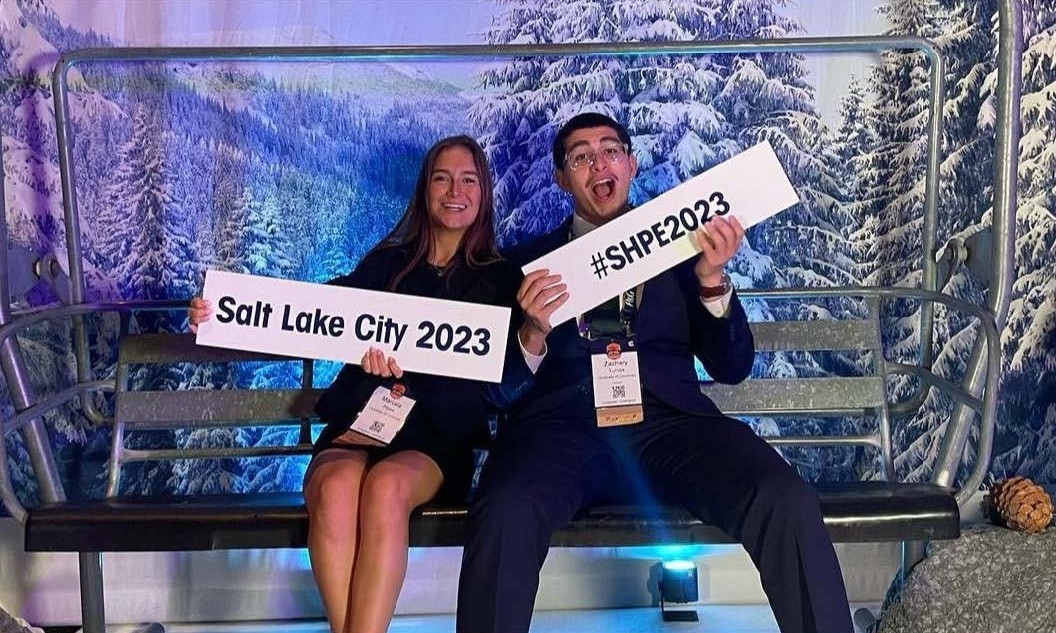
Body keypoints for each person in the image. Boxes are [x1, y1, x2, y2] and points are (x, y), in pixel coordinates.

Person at [455, 113, 853, 633]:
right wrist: (531, 333)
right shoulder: (522, 265)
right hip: (561, 433)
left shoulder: (682, 250)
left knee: (785, 496)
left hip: (669, 425)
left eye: (610, 150)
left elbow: (732, 367)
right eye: (581, 156)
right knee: (503, 511)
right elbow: (496, 394)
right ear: (561, 177)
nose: (599, 163)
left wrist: (712, 284)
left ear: (631, 162)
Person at [190, 135, 557, 633]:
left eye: (468, 180)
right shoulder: (388, 262)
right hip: (360, 423)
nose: (455, 191)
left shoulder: (502, 279)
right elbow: (310, 314)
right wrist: (222, 313)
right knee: (338, 485)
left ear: (484, 193)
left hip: (433, 438)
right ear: (425, 189)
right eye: (442, 178)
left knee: (384, 489)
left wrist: (533, 332)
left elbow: (506, 384)